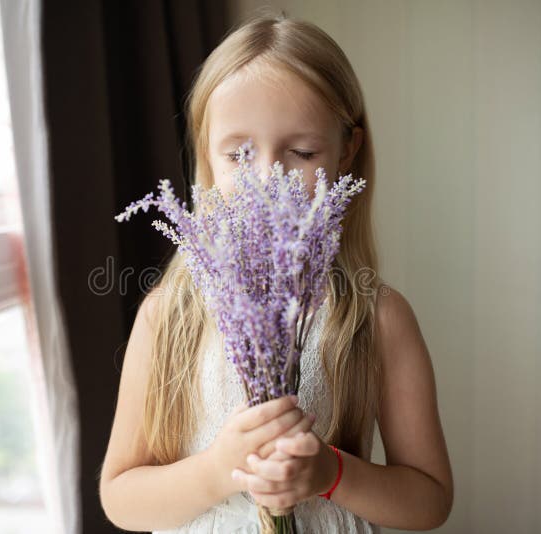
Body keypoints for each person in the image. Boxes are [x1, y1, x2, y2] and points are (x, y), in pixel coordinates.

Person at [99, 11, 453, 533]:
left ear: (347, 152)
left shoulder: (375, 318)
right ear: (206, 155)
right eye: (239, 153)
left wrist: (331, 473)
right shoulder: (168, 316)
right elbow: (120, 497)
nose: (268, 178)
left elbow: (430, 501)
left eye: (302, 152)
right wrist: (219, 471)